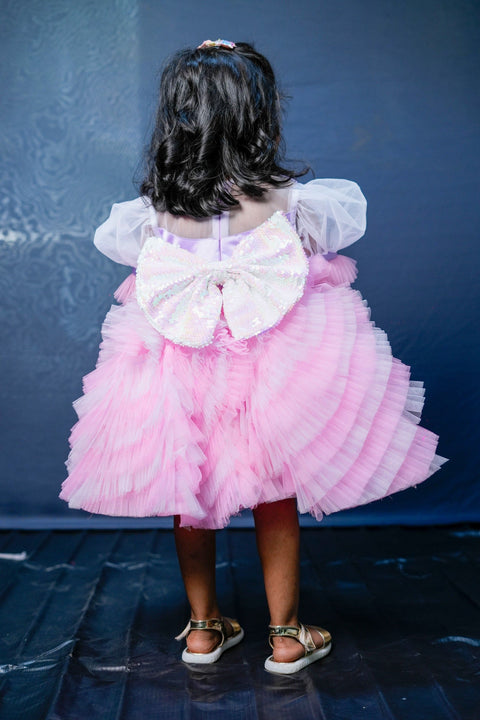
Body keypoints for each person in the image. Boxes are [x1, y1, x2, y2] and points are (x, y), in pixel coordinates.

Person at [59, 39, 447, 675]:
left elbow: (138, 263)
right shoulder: (287, 201)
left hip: (177, 369)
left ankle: (203, 631)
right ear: (256, 113)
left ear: (177, 114)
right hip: (273, 366)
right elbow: (317, 251)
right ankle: (287, 636)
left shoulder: (152, 212)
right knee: (276, 489)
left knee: (189, 485)